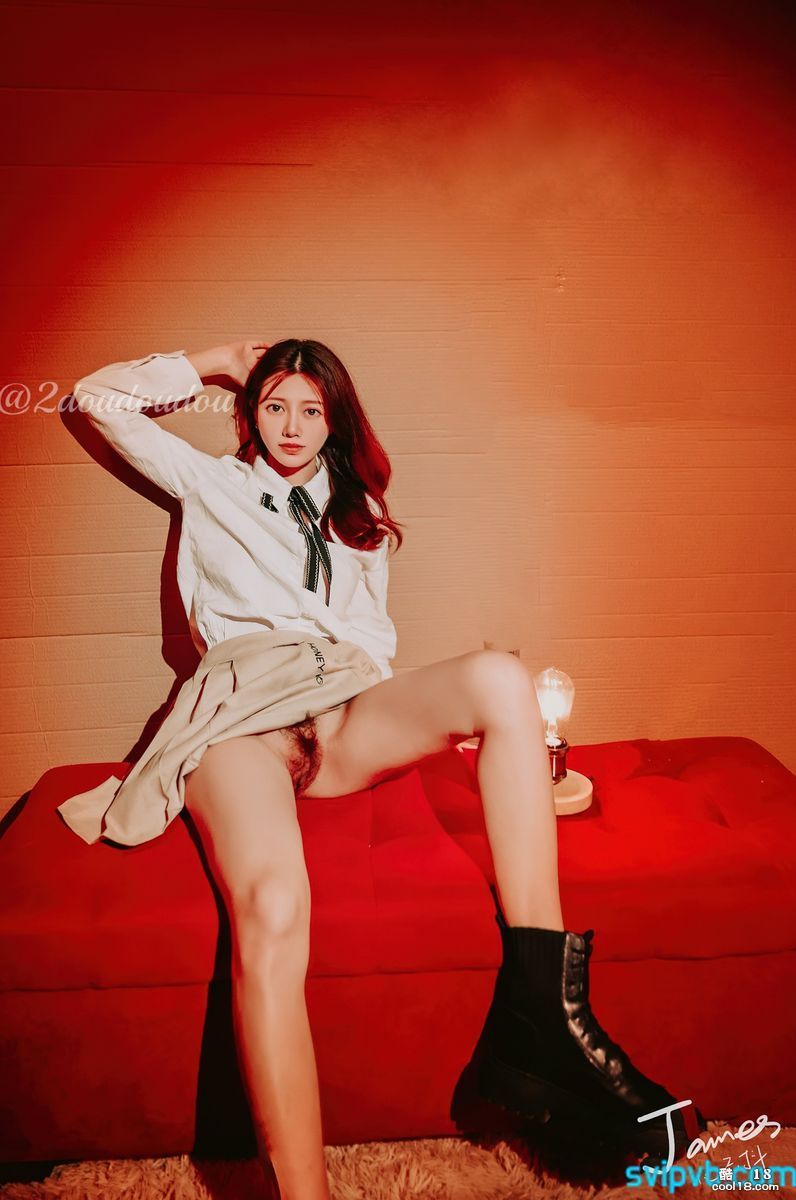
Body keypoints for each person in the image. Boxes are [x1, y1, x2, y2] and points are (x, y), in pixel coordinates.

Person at [58, 339, 705, 1199]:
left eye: (311, 409)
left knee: (501, 678)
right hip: (241, 718)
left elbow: (368, 646)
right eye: (275, 406)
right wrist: (218, 359)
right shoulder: (210, 483)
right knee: (274, 905)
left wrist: (402, 716)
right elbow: (95, 397)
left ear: (336, 421)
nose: (292, 427)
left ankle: (545, 1012)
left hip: (342, 706)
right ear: (250, 413)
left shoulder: (356, 511)